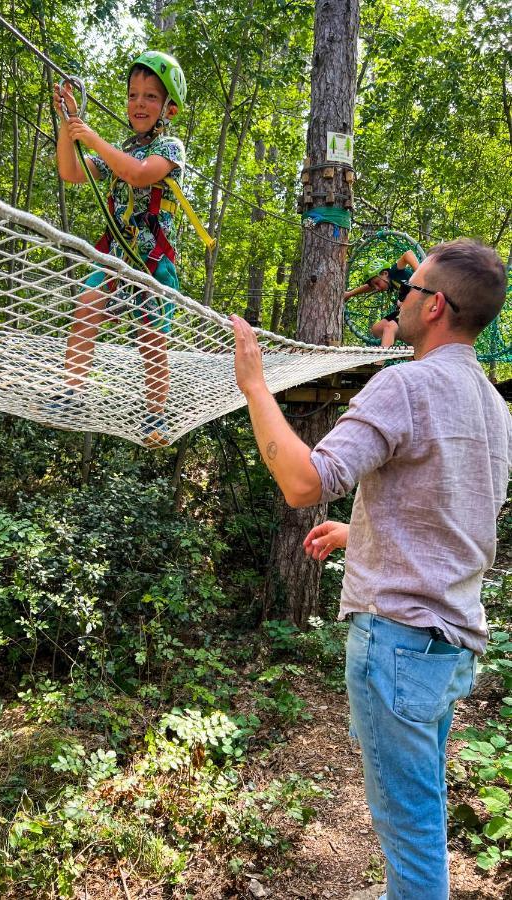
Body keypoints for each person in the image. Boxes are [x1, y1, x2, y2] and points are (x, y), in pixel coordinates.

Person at [232, 238, 511, 900]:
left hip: (398, 650)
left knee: (409, 831)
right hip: (449, 649)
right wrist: (359, 533)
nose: (399, 298)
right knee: (419, 814)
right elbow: (452, 522)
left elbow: (305, 482)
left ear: (435, 306)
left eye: (409, 289)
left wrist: (253, 386)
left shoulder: (406, 384)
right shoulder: (495, 408)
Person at [53, 51, 187, 447]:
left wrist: (91, 136)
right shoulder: (119, 149)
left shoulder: (171, 148)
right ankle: (72, 391)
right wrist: (69, 123)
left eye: (149, 96)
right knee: (87, 302)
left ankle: (155, 413)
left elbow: (138, 173)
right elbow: (71, 171)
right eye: (133, 95)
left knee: (151, 337)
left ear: (169, 109)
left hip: (151, 262)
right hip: (115, 254)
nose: (139, 104)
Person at [344, 250, 420, 360]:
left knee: (390, 327)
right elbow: (368, 287)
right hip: (405, 312)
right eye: (374, 286)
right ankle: (406, 352)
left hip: (417, 309)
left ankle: (383, 362)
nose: (377, 288)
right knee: (377, 329)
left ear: (385, 273)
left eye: (377, 283)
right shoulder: (387, 282)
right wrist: (350, 294)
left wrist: (420, 272)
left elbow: (408, 254)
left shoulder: (394, 272)